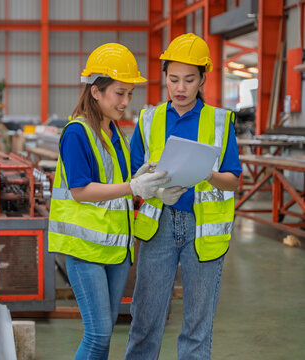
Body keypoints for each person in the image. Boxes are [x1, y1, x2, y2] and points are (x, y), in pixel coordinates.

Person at [48, 43, 170, 360]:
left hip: (116, 249)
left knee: (105, 335)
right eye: (119, 93)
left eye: (130, 94)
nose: (126, 102)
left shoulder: (114, 131)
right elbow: (80, 191)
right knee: (98, 334)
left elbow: (119, 181)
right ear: (96, 91)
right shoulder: (77, 133)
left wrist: (146, 182)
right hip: (85, 249)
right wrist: (133, 185)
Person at [125, 33, 243, 360]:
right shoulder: (148, 120)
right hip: (159, 225)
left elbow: (233, 180)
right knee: (146, 319)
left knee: (196, 325)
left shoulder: (220, 121)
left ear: (203, 79)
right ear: (164, 78)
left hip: (202, 230)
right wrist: (153, 185)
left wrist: (209, 174)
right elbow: (134, 174)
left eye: (189, 80)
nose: (180, 87)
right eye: (173, 79)